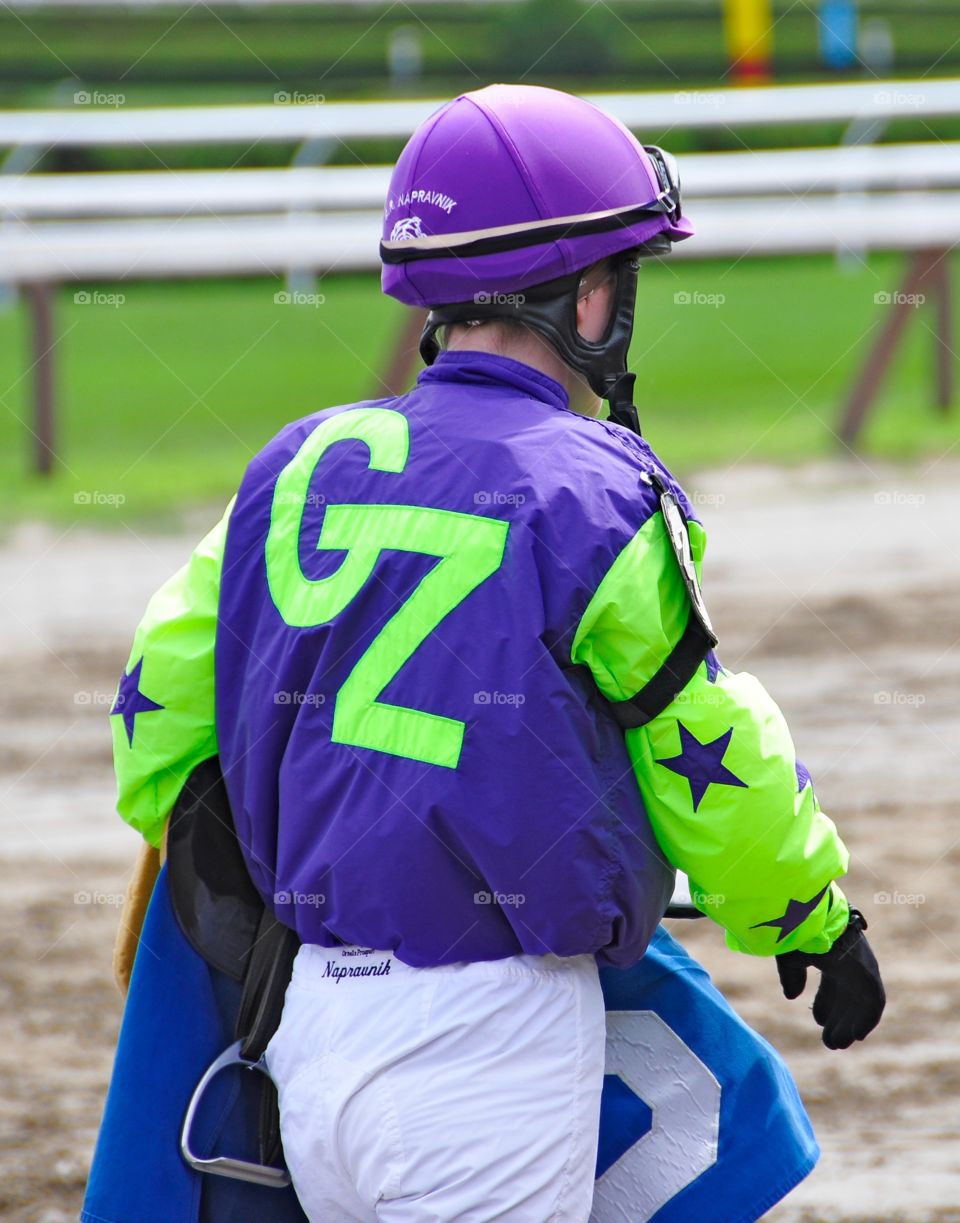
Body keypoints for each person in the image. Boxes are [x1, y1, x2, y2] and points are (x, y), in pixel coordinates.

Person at [107, 84, 884, 1222]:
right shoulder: (601, 493)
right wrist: (812, 913)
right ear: (588, 295)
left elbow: (159, 723)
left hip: (308, 1031)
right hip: (494, 1045)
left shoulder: (293, 468)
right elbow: (704, 749)